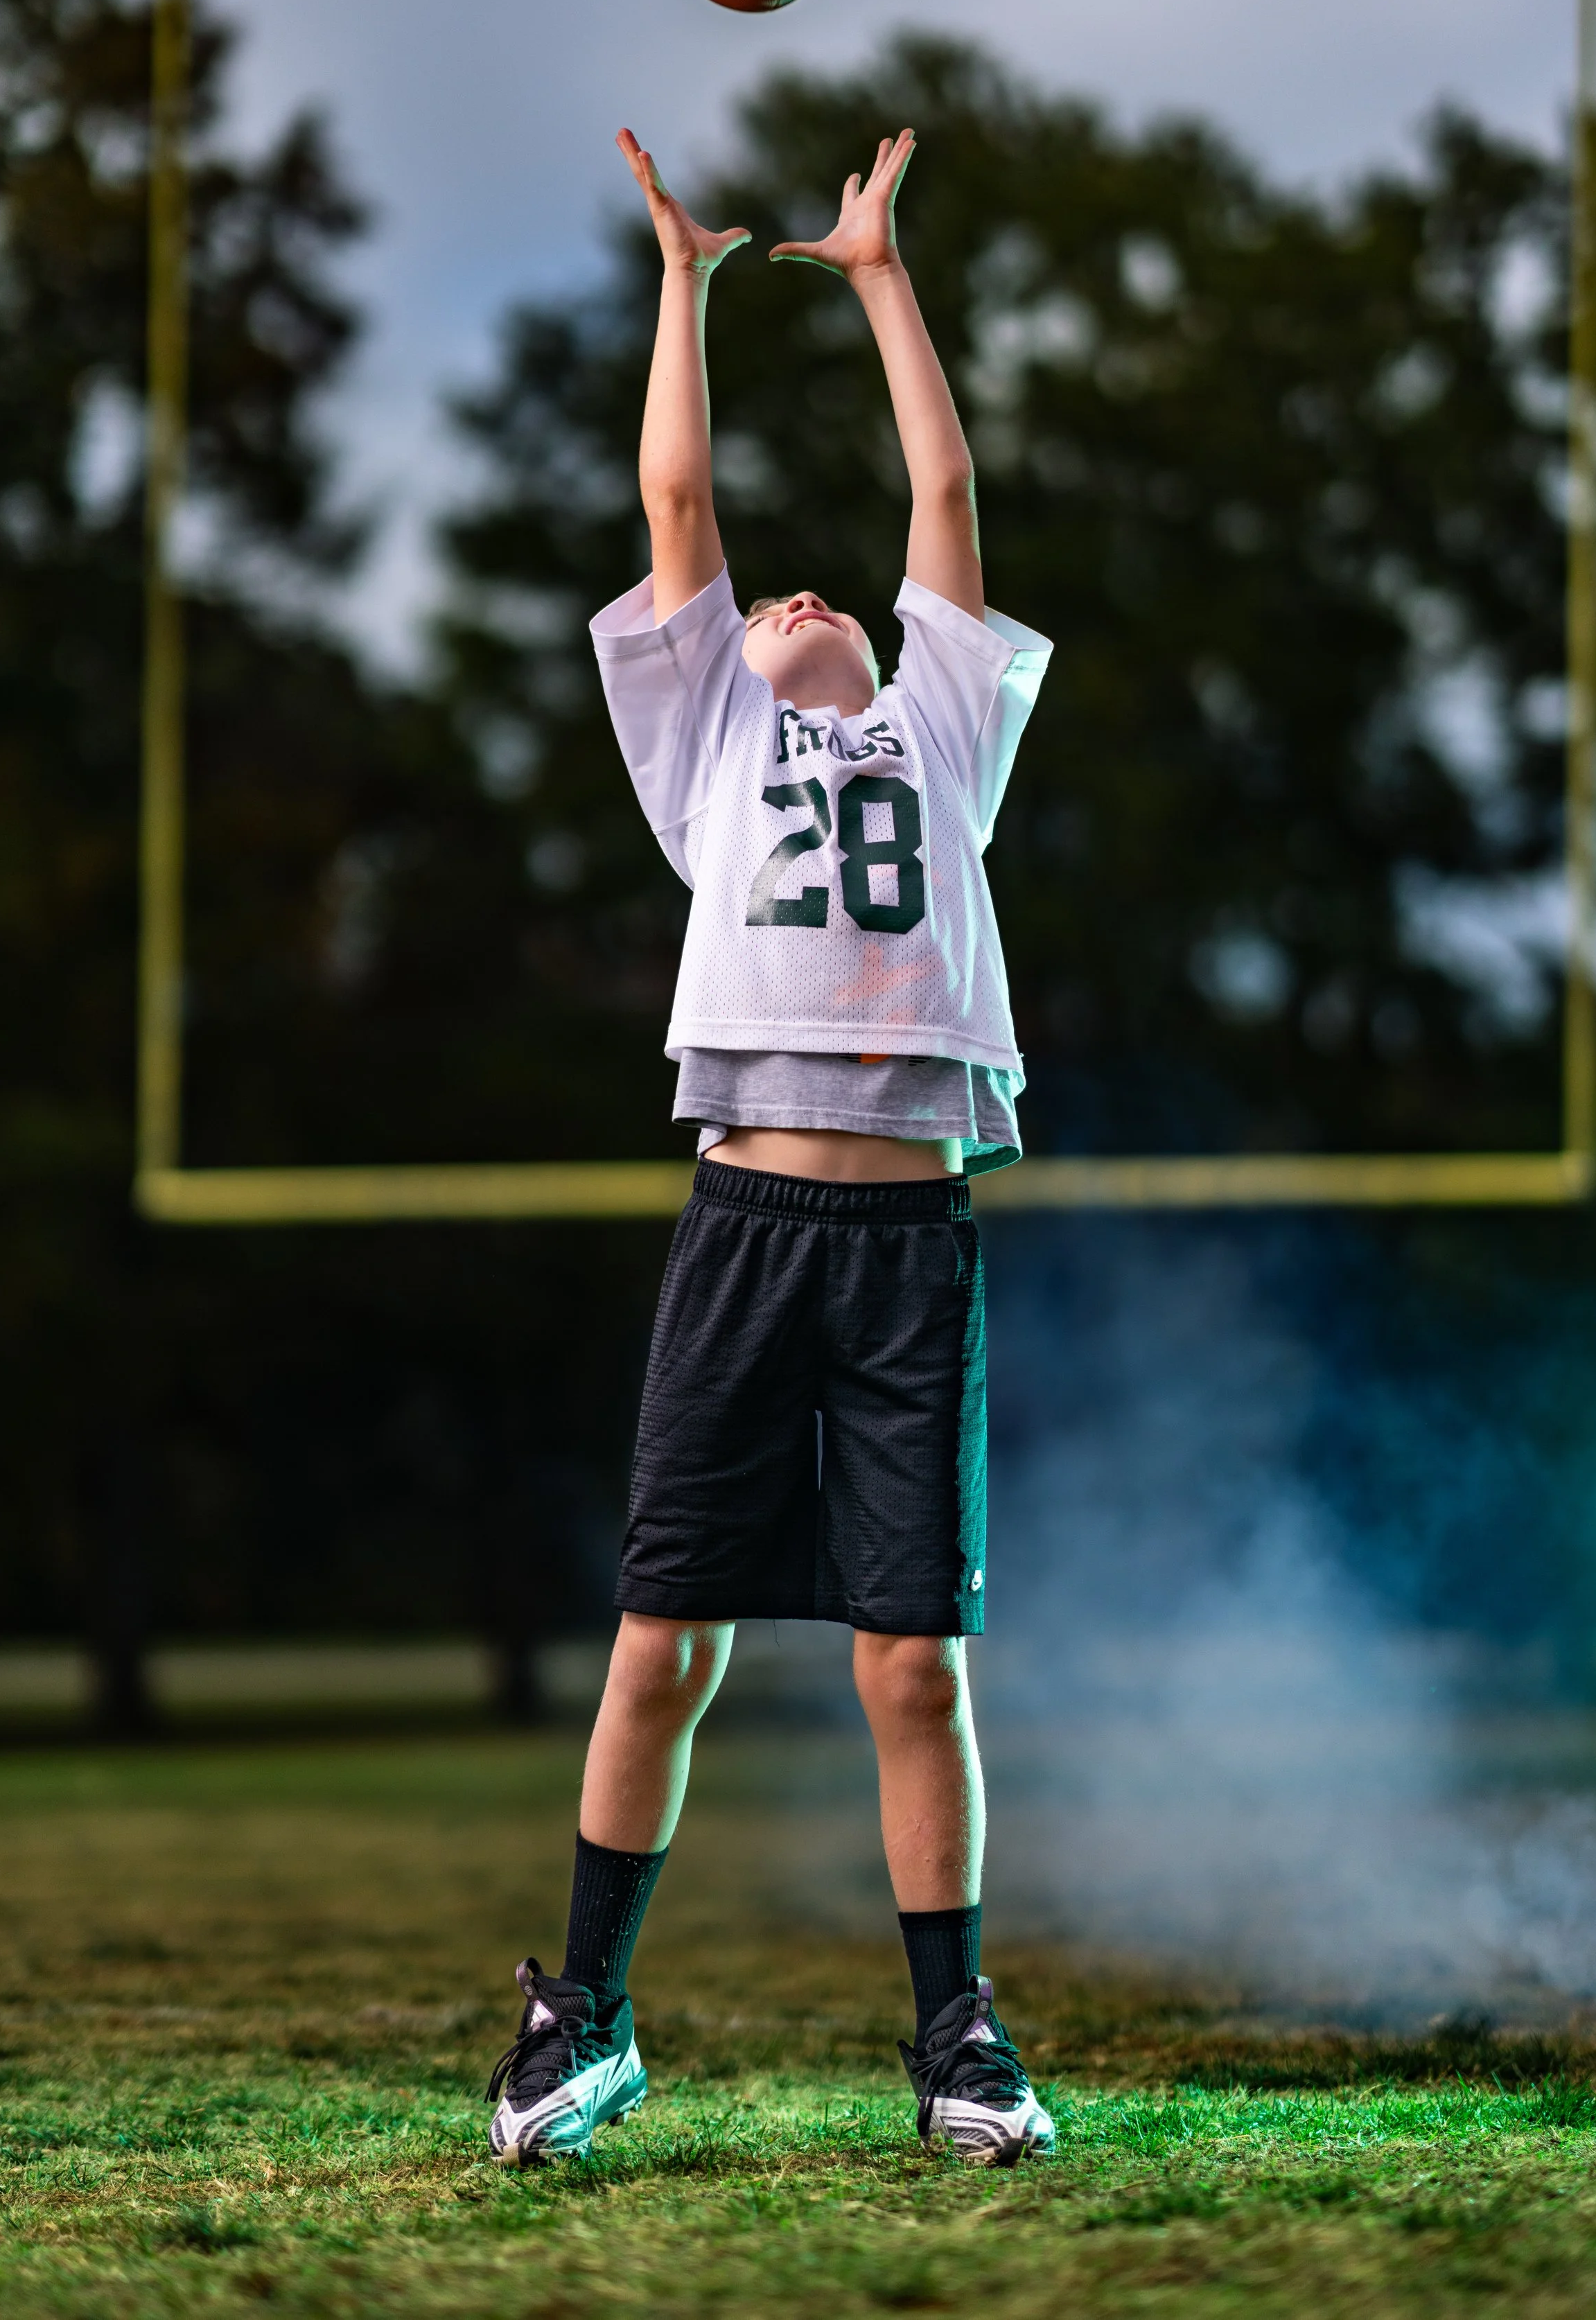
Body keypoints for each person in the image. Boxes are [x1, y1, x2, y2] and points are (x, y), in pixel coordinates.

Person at [487, 125, 1054, 2170]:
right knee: (667, 1640)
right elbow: (672, 493)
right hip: (747, 1226)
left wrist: (881, 276)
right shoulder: (712, 744)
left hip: (912, 1246)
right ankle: (582, 2010)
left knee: (913, 1662)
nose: (797, 588)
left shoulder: (940, 728)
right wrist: (687, 281)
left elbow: (945, 494)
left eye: (832, 596)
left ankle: (956, 2038)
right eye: (761, 599)